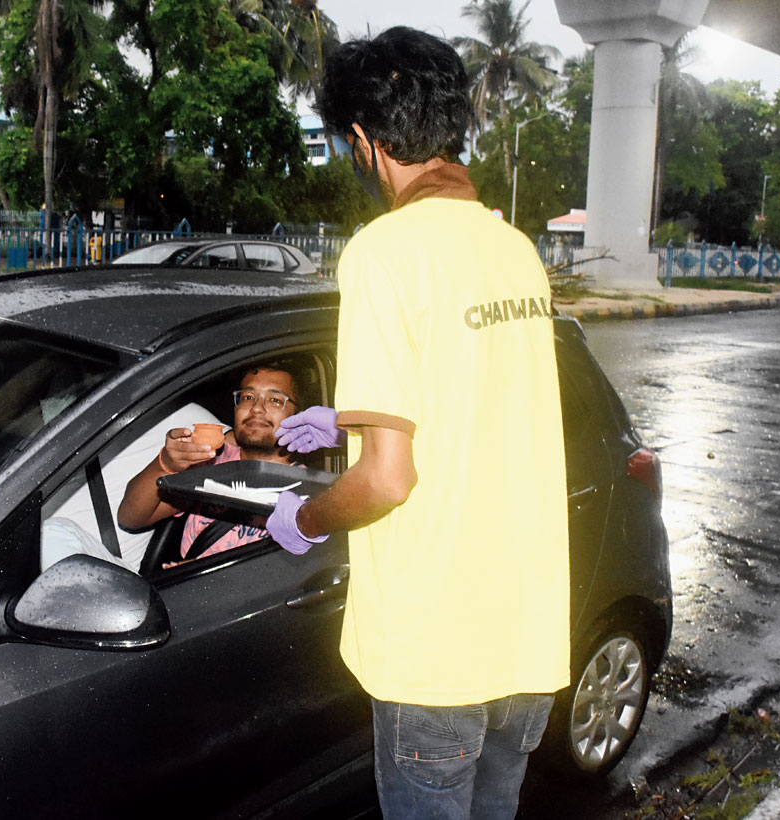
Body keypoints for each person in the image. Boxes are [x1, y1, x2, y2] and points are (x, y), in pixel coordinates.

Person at [263, 27, 571, 820]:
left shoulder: (384, 252)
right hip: (528, 640)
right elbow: (475, 393)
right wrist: (351, 413)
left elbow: (386, 480)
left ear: (365, 140)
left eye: (345, 144)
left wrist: (302, 517)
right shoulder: (512, 247)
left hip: (437, 653)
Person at [118, 365, 304, 565]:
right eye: (248, 397)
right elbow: (130, 518)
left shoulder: (306, 491)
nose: (256, 408)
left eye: (275, 400)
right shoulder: (213, 463)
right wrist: (165, 463)